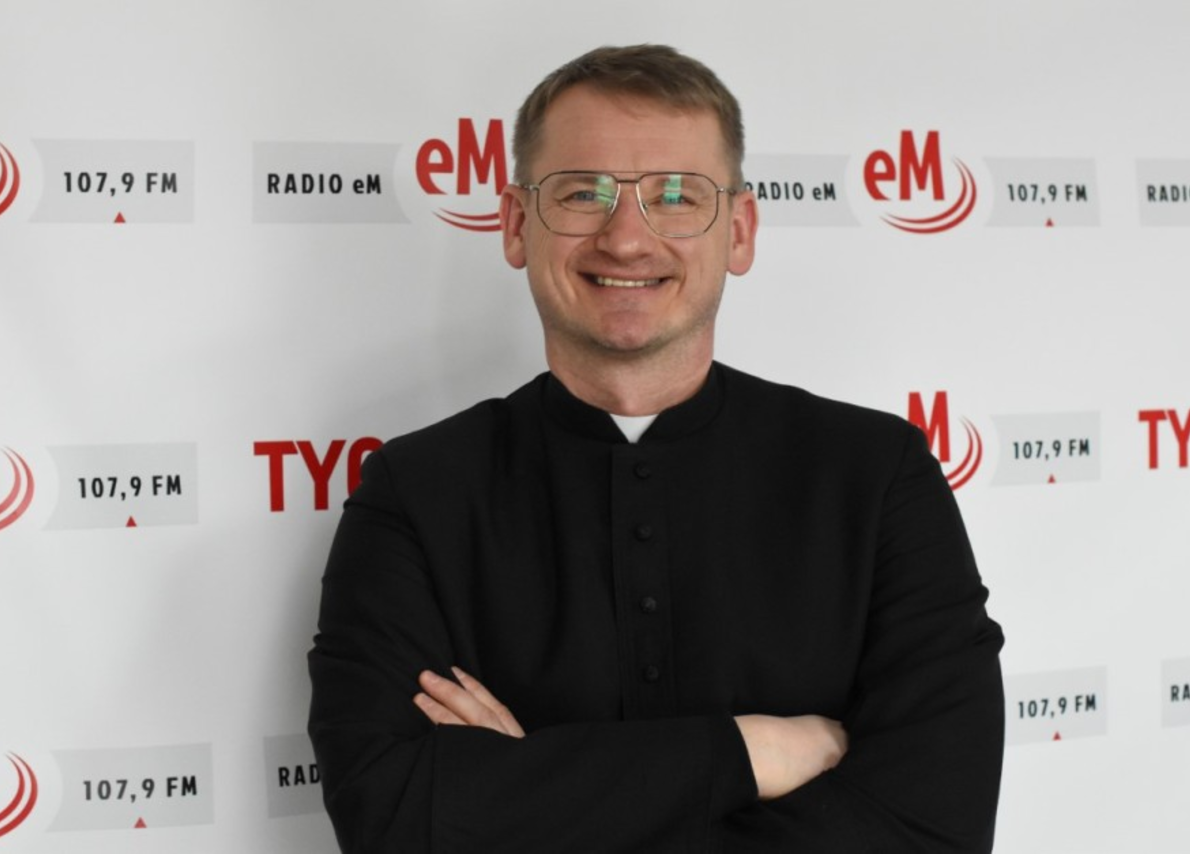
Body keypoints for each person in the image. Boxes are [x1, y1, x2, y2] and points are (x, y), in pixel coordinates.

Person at [308, 44, 1004, 853]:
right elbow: (390, 820)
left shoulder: (878, 476)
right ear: (516, 225)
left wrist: (522, 793)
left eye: (677, 196)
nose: (628, 240)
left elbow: (932, 829)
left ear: (739, 232)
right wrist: (750, 753)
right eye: (583, 192)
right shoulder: (414, 492)